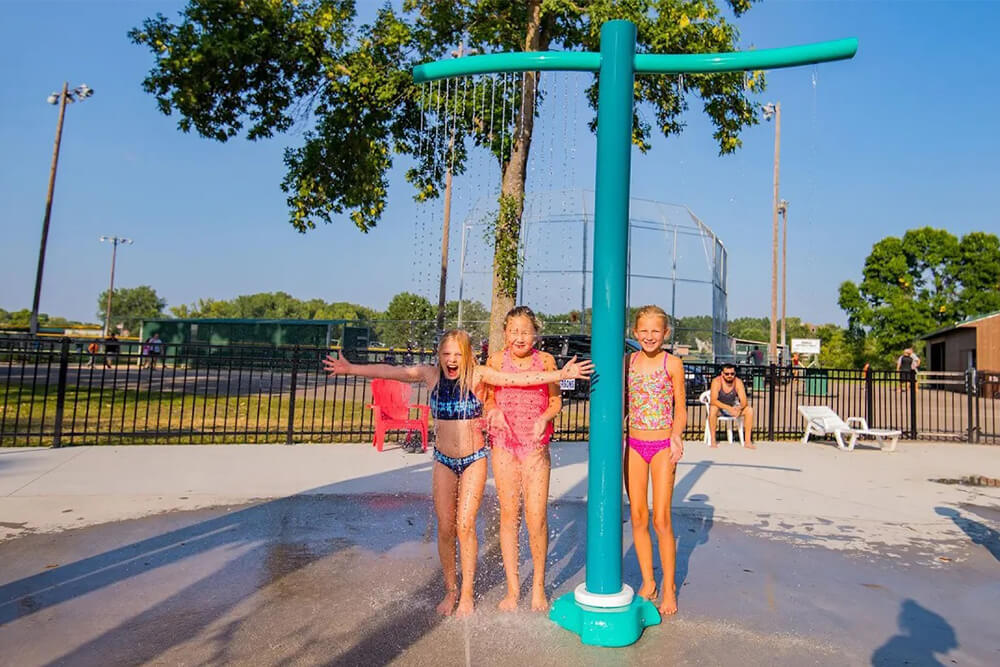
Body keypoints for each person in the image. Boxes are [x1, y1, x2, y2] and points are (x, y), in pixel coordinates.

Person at [323, 330, 592, 618]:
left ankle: (466, 594)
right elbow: (392, 371)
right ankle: (451, 589)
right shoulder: (430, 376)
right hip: (443, 460)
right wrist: (350, 368)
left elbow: (517, 379)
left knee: (465, 525)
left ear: (467, 356)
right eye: (446, 354)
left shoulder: (478, 376)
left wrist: (560, 375)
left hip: (474, 459)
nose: (451, 360)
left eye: (457, 355)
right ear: (439, 355)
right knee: (445, 526)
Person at [483, 306, 561, 612]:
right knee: (508, 515)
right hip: (504, 445)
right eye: (514, 331)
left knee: (536, 517)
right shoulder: (495, 361)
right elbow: (488, 397)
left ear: (535, 334)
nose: (520, 337)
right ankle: (513, 589)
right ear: (505, 334)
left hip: (535, 447)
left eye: (525, 331)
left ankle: (538, 586)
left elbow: (556, 401)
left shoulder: (546, 362)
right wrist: (493, 411)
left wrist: (545, 416)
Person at [624, 305, 687, 616]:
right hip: (634, 444)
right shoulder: (628, 362)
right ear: (635, 333)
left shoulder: (672, 363)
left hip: (662, 446)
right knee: (638, 516)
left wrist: (676, 436)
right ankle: (648, 581)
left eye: (655, 331)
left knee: (661, 518)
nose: (649, 336)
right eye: (644, 331)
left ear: (666, 333)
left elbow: (681, 408)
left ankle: (669, 585)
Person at [708, 363, 756, 449]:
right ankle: (713, 440)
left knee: (749, 410)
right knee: (713, 409)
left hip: (733, 407)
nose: (729, 376)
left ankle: (747, 441)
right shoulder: (716, 381)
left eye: (732, 374)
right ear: (722, 374)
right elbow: (713, 400)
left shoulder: (738, 382)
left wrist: (739, 408)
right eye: (727, 374)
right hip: (720, 408)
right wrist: (729, 408)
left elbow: (744, 401)